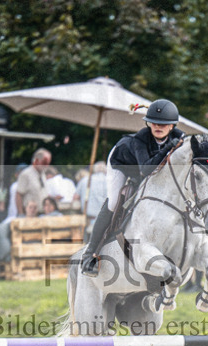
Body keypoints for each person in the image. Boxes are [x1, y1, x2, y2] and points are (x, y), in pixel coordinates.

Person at [81, 98, 185, 276]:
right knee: (114, 202)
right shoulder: (140, 139)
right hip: (121, 164)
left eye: (163, 124)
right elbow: (145, 170)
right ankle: (89, 254)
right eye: (153, 122)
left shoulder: (180, 137)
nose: (157, 126)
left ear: (172, 126)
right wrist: (168, 147)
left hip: (148, 169)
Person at [75, 162, 109, 239]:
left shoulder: (85, 180)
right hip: (107, 220)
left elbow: (75, 197)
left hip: (89, 219)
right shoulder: (110, 180)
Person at [16, 148, 52, 218]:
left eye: (48, 163)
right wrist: (21, 214)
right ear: (37, 161)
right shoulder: (26, 174)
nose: (46, 165)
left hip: (42, 214)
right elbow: (18, 194)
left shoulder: (43, 174)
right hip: (29, 214)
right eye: (44, 162)